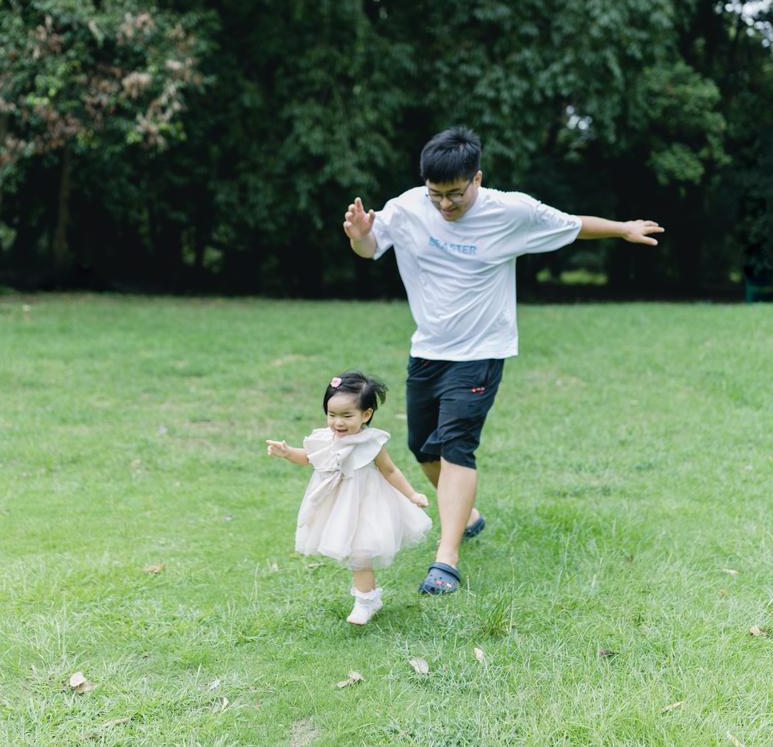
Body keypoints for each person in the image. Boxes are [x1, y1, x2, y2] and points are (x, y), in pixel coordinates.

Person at [342, 126, 663, 595]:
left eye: (455, 194)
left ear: (477, 179)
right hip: (428, 349)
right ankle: (467, 515)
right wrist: (359, 236)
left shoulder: (510, 211)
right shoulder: (408, 207)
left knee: (456, 445)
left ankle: (446, 560)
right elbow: (371, 247)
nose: (445, 205)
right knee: (422, 448)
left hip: (481, 352)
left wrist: (623, 228)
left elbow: (571, 224)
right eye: (436, 195)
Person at [266, 371, 432, 625]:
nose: (338, 423)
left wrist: (412, 494)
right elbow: (308, 458)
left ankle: (365, 602)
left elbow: (390, 470)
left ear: (366, 415)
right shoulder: (325, 438)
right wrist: (287, 453)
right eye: (332, 415)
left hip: (367, 504)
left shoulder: (370, 442)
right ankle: (369, 599)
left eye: (347, 416)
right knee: (354, 552)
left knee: (359, 552)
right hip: (337, 506)